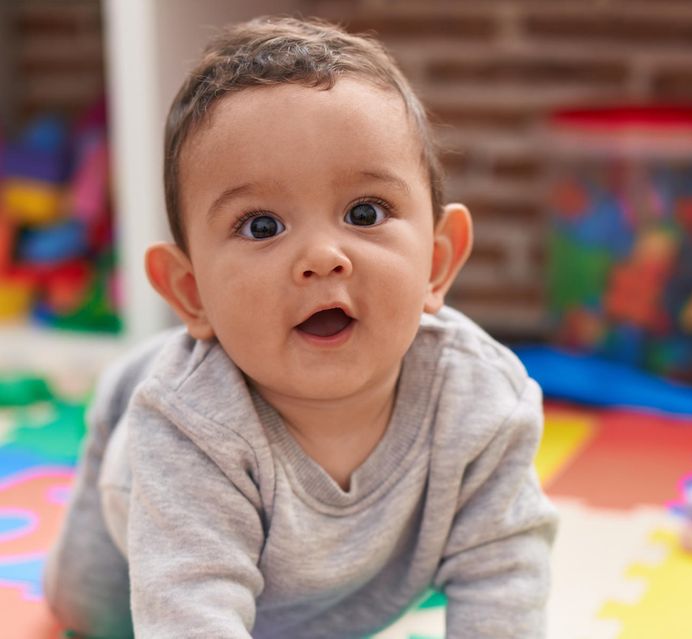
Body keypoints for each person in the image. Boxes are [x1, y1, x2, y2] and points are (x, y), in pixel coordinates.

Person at [43, 15, 557, 638]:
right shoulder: (188, 428)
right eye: (262, 226)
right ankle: (128, 384)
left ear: (438, 262)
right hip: (152, 527)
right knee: (88, 614)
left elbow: (504, 571)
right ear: (191, 292)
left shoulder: (482, 401)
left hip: (354, 581)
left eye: (365, 213)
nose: (323, 256)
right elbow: (190, 611)